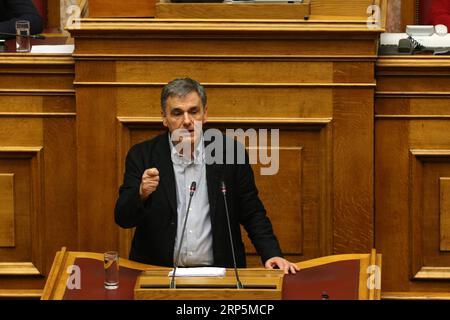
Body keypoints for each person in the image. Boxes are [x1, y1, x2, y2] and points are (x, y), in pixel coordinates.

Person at [115, 77, 299, 274]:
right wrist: (141, 193)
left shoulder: (229, 153)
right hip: (158, 272)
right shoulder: (143, 155)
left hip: (220, 274)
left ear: (205, 114)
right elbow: (123, 218)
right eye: (177, 113)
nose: (187, 121)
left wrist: (271, 253)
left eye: (194, 111)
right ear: (164, 118)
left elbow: (251, 211)